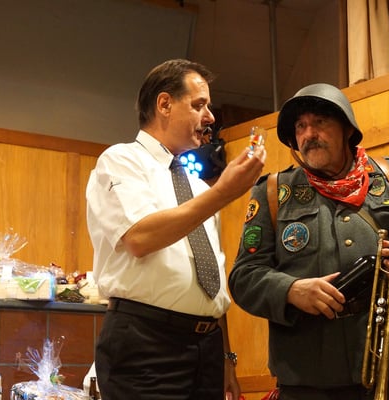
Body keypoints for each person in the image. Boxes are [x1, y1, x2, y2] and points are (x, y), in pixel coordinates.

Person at [228, 83, 389, 400]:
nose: (309, 134)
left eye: (319, 122)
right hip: (309, 379)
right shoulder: (272, 193)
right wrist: (291, 290)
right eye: (300, 126)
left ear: (348, 129)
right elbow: (244, 277)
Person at [86, 59, 266, 400]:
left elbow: (210, 278)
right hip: (146, 343)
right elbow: (139, 238)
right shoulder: (121, 160)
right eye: (199, 105)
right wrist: (223, 193)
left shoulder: (198, 187)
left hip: (207, 347)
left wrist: (226, 357)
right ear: (165, 104)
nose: (210, 117)